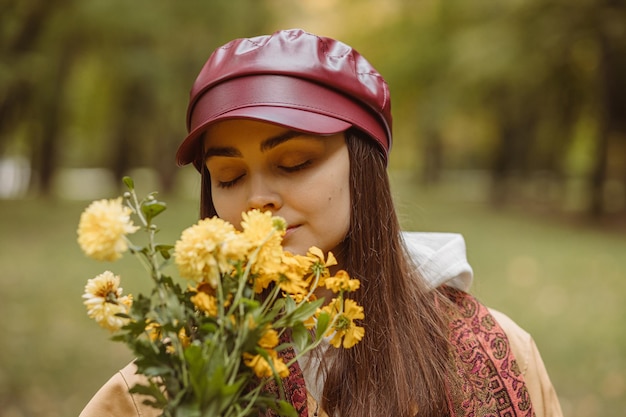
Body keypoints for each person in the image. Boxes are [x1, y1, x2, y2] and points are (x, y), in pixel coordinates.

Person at [80, 28, 563, 417]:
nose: (257, 200)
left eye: (293, 163)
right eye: (228, 176)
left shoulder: (497, 353)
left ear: (364, 168)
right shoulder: (166, 385)